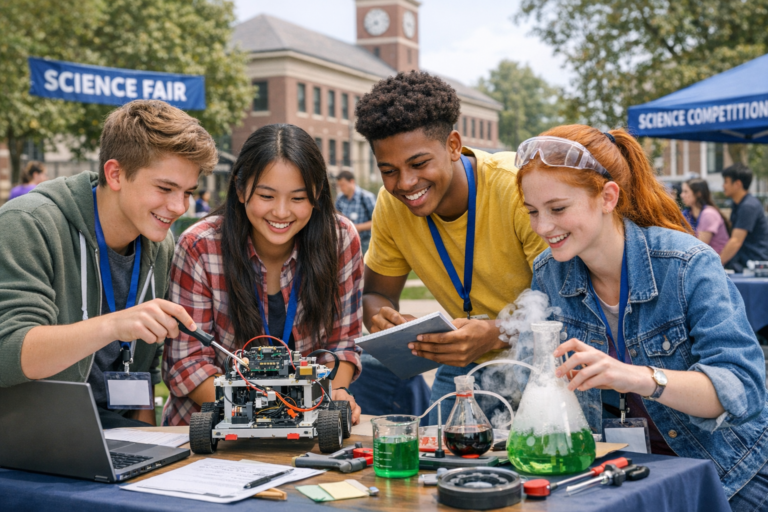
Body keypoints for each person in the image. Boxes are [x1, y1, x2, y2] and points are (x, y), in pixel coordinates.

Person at [517, 125, 768, 508]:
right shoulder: (548, 272)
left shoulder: (686, 264)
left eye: (558, 209)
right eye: (532, 211)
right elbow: (527, 376)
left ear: (607, 197)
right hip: (619, 475)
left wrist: (637, 376)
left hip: (730, 474)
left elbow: (743, 388)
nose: (542, 227)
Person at [0, 100, 215, 428]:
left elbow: (142, 368)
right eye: (165, 188)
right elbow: (9, 353)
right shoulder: (28, 223)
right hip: (31, 434)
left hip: (112, 432)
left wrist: (147, 442)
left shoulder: (160, 243)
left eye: (188, 192)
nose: (178, 206)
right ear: (115, 174)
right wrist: (114, 325)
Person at [354, 71, 548, 425]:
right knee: (436, 468)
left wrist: (495, 332)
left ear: (454, 145)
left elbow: (570, 310)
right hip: (461, 364)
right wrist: (386, 321)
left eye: (418, 163)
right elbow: (375, 295)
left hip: (540, 362)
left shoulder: (518, 187)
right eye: (388, 170)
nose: (406, 183)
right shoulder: (390, 204)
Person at [163, 124, 363, 426]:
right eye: (267, 196)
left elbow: (342, 344)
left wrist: (334, 393)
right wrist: (269, 414)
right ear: (241, 190)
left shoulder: (341, 239)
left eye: (298, 198)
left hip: (307, 428)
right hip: (214, 431)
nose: (281, 212)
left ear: (317, 194)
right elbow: (187, 362)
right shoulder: (200, 247)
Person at [720, 163, 768, 271]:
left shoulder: (748, 206)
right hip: (745, 264)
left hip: (755, 266)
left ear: (737, 184)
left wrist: (716, 264)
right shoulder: (738, 204)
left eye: (726, 182)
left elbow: (736, 241)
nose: (723, 186)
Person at [680, 178, 730, 254]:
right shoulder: (688, 213)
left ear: (698, 194)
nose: (682, 195)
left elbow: (699, 247)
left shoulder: (709, 214)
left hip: (716, 261)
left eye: (686, 192)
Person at [335, 170, 376, 255]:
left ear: (352, 181)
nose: (341, 188)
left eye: (343, 185)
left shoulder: (366, 197)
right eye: (339, 186)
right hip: (346, 243)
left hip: (365, 243)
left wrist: (356, 227)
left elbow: (377, 222)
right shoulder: (340, 198)